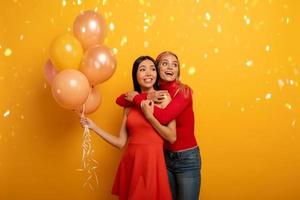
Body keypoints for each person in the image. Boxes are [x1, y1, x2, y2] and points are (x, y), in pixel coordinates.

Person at [80, 56, 175, 200]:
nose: (149, 73)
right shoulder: (129, 103)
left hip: (152, 163)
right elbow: (120, 142)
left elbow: (172, 136)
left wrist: (150, 114)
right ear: (135, 75)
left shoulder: (164, 98)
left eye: (152, 69)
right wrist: (93, 127)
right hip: (132, 163)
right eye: (142, 70)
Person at [116, 51, 201, 200]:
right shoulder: (156, 91)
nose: (170, 67)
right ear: (157, 69)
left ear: (178, 71)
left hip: (187, 158)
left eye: (175, 65)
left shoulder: (184, 91)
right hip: (164, 157)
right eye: (165, 63)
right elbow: (120, 100)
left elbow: (164, 116)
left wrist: (139, 99)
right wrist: (147, 96)